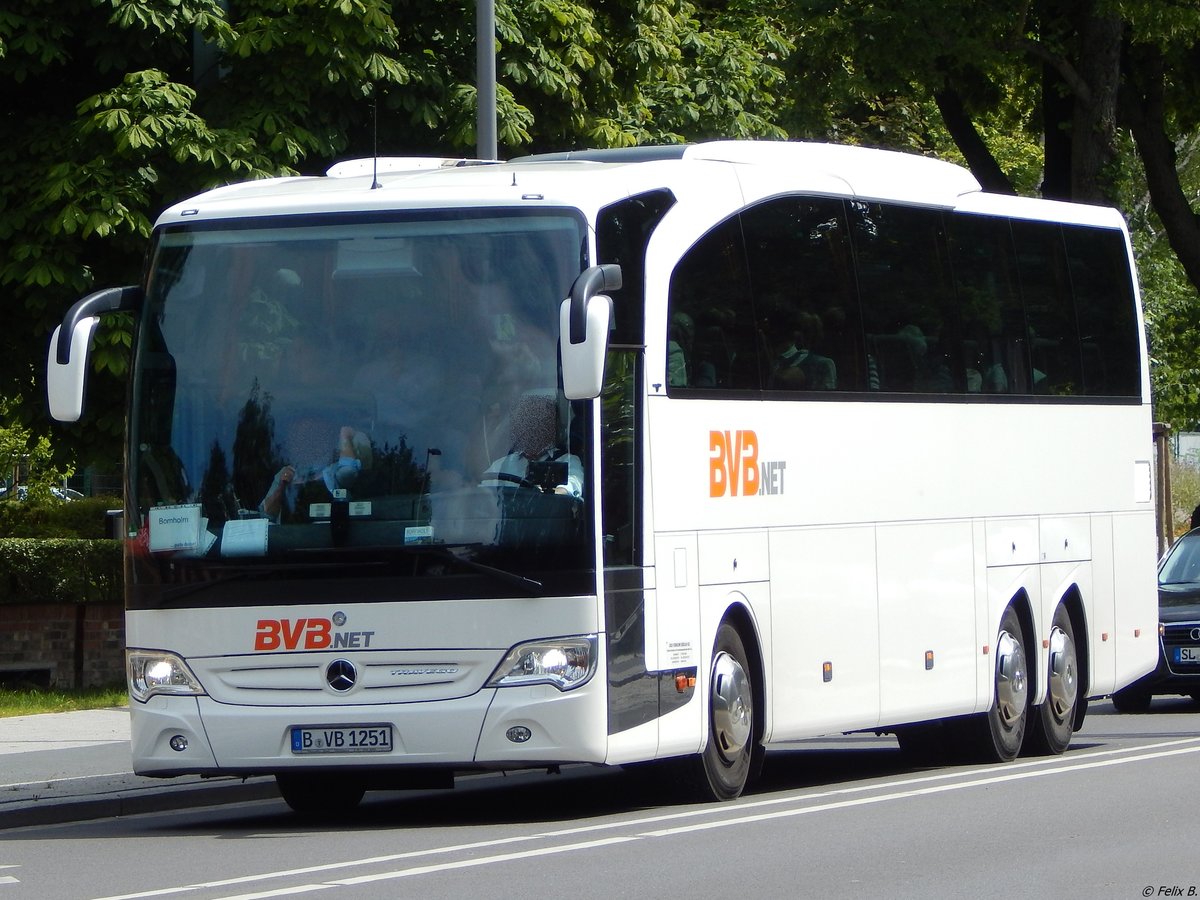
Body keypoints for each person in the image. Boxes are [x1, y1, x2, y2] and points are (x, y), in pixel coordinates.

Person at [260, 426, 371, 521]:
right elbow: (266, 516)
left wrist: (345, 436)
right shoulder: (287, 473)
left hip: (329, 539)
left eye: (314, 437)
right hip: (290, 540)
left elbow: (349, 471)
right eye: (300, 438)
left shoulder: (333, 470)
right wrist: (281, 487)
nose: (308, 443)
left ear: (327, 442)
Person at [482, 393, 583, 498]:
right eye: (526, 422)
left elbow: (573, 483)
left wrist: (555, 493)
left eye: (540, 422)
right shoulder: (503, 464)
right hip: (502, 514)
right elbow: (481, 490)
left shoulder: (567, 461)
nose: (532, 428)